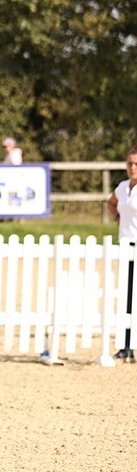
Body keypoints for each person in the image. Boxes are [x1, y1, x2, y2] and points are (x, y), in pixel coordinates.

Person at [107, 145, 137, 362]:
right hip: (126, 246)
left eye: (136, 164)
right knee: (127, 298)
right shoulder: (122, 187)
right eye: (130, 163)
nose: (133, 167)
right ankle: (126, 346)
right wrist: (116, 216)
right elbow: (111, 203)